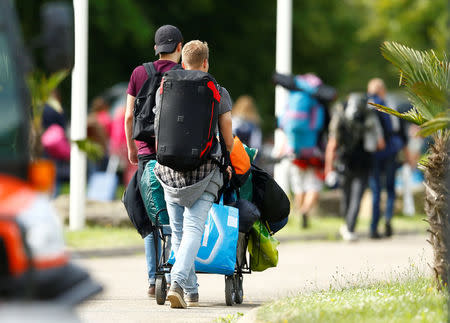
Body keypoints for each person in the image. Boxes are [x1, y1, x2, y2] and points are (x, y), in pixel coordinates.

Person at [153, 40, 234, 308]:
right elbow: (228, 137)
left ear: (182, 62)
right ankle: (178, 282)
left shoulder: (164, 88)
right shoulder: (218, 91)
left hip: (168, 171)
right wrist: (227, 158)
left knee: (178, 232)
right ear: (206, 63)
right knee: (194, 230)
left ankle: (191, 290)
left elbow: (158, 127)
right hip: (204, 171)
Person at [124, 25, 183, 298]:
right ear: (179, 48)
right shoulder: (183, 75)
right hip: (177, 154)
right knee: (175, 214)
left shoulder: (139, 73)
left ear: (155, 48)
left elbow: (127, 116)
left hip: (147, 153)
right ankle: (173, 276)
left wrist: (132, 150)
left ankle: (152, 279)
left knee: (151, 214)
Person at [273, 73, 335, 229]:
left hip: (294, 150)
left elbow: (283, 125)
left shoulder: (294, 97)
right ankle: (305, 211)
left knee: (299, 185)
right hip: (314, 151)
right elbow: (324, 128)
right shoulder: (318, 102)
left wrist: (283, 149)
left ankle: (298, 211)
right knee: (314, 185)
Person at [324, 93, 385, 241]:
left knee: (346, 195)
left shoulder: (340, 117)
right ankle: (350, 227)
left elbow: (332, 145)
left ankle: (348, 225)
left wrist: (328, 168)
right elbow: (380, 143)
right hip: (364, 162)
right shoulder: (369, 116)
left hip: (344, 162)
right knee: (357, 197)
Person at [367, 78, 406, 238]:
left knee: (376, 190)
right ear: (382, 90)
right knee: (390, 189)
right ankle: (388, 219)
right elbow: (396, 128)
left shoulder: (366, 105)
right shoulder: (386, 105)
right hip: (389, 152)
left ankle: (373, 227)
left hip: (372, 153)